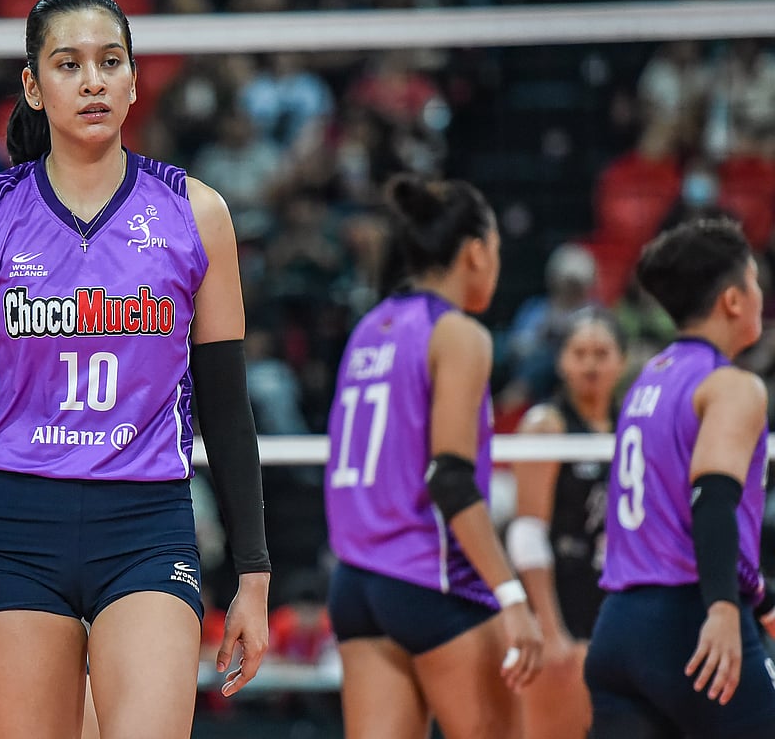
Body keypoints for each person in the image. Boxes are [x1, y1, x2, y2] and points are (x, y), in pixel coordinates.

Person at [0, 0, 271, 739]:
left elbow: (227, 405)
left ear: (134, 79)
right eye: (68, 64)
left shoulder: (197, 213)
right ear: (34, 86)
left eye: (110, 61)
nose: (93, 81)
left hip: (148, 524)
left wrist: (253, 574)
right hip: (17, 526)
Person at [323, 173, 543, 739]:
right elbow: (449, 478)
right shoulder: (457, 333)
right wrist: (512, 594)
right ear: (476, 252)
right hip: (431, 577)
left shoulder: (369, 329)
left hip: (356, 583)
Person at [585, 217, 775, 738]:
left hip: (618, 628)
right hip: (688, 620)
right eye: (755, 282)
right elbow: (710, 500)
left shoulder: (648, 379)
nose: (761, 295)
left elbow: (671, 517)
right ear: (733, 300)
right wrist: (723, 608)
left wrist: (760, 598)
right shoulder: (732, 386)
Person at [507, 310, 627, 739]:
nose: (591, 364)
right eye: (579, 353)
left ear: (622, 361)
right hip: (563, 597)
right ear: (561, 362)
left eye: (601, 353)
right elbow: (527, 531)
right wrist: (549, 627)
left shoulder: (631, 424)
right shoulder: (547, 425)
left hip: (616, 597)